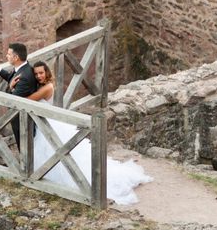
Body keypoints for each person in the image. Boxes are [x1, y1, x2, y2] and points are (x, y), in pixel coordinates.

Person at [18, 61, 152, 205]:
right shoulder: (40, 86)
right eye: (36, 74)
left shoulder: (48, 87)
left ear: (47, 73)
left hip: (49, 124)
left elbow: (26, 100)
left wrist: (13, 87)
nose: (38, 76)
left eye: (41, 73)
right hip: (44, 124)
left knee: (62, 153)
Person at [0, 43, 37, 147]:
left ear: (16, 57)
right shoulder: (24, 67)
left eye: (9, 54)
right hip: (23, 117)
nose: (6, 56)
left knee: (25, 148)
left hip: (22, 121)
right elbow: (12, 78)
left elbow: (11, 100)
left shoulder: (25, 77)